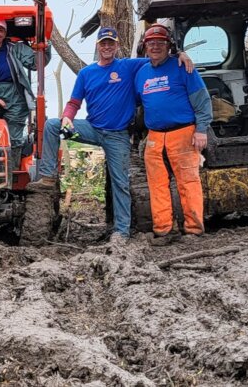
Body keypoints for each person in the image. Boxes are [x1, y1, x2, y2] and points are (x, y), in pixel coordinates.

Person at [34, 27, 193, 242]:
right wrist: (67, 117)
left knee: (120, 182)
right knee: (53, 125)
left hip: (117, 136)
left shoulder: (127, 66)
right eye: (103, 43)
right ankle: (48, 176)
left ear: (117, 46)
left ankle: (121, 231)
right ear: (97, 46)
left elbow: (158, 57)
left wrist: (179, 54)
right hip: (90, 130)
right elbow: (74, 102)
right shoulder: (86, 73)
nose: (107, 47)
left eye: (111, 43)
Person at [133, 23, 212, 245]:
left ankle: (194, 230)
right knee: (156, 184)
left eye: (161, 43)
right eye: (151, 43)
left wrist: (201, 129)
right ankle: (164, 230)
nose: (156, 46)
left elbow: (202, 100)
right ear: (145, 47)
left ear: (170, 47)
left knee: (188, 181)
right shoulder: (141, 73)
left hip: (183, 132)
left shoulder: (182, 67)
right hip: (155, 136)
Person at [0, 19, 49, 157]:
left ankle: (13, 171)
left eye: (0, 30)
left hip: (16, 97)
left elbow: (35, 64)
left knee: (14, 137)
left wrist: (45, 48)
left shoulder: (16, 48)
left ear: (5, 33)